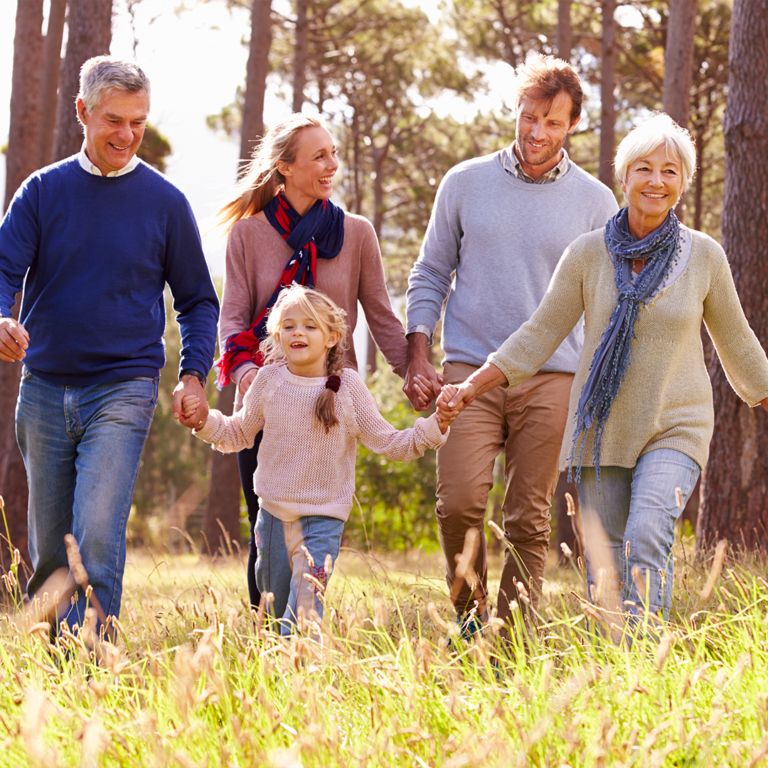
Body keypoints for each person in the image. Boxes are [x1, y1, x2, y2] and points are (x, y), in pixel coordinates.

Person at [441, 113, 768, 622]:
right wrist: (472, 384)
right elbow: (538, 333)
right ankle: (619, 666)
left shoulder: (704, 256)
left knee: (646, 533)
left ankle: (645, 662)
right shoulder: (588, 254)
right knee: (605, 559)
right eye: (644, 168)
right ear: (624, 177)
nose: (656, 181)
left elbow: (739, 345)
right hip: (602, 427)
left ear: (682, 182)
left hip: (675, 425)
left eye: (669, 170)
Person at [0, 57, 219, 631]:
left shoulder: (166, 204)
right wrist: (1, 316)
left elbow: (197, 299)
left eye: (138, 123)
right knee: (51, 547)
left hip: (123, 388)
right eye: (114, 121)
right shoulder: (42, 191)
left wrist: (193, 373)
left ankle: (92, 665)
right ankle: (55, 674)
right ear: (83, 112)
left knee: (95, 535)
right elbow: (4, 268)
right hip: (44, 388)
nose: (126, 135)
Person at [404, 55, 618, 634]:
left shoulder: (597, 203)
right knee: (459, 503)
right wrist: (418, 354)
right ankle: (471, 623)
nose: (536, 133)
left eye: (552, 122)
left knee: (528, 517)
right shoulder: (465, 182)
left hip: (553, 375)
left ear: (572, 124)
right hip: (468, 371)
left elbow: (606, 300)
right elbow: (430, 273)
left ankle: (513, 636)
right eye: (528, 118)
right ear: (515, 113)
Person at [215, 114, 409, 611]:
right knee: (266, 522)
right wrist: (250, 377)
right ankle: (266, 631)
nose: (332, 165)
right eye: (319, 156)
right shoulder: (247, 235)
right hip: (268, 398)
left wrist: (414, 372)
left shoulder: (357, 234)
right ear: (284, 167)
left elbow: (382, 315)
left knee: (320, 521)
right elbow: (233, 318)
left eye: (334, 153)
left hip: (330, 401)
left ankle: (304, 625)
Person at [183, 286, 451, 633]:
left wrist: (436, 425)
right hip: (273, 520)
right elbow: (237, 434)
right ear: (278, 335)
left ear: (332, 337)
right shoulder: (268, 381)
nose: (298, 333)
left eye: (310, 326)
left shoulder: (348, 389)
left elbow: (391, 443)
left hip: (322, 522)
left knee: (304, 615)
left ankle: (304, 676)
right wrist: (204, 421)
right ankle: (280, 679)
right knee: (275, 615)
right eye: (289, 326)